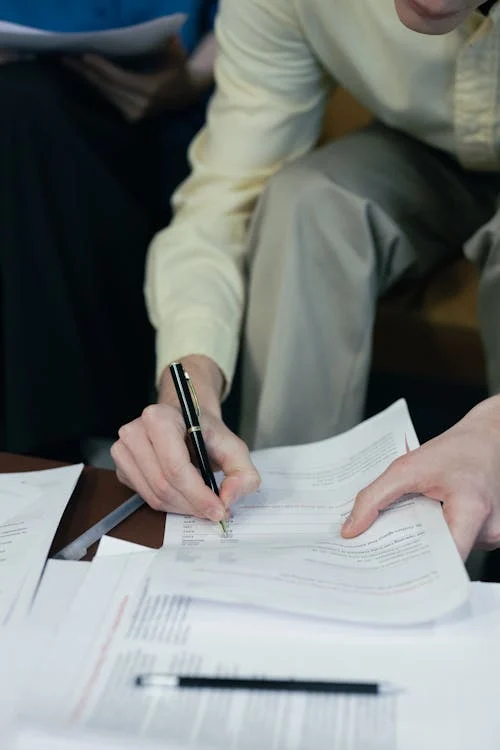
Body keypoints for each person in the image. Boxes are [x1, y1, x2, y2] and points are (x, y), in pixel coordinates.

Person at [112, 0, 500, 560]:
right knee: (307, 203)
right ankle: (283, 534)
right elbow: (227, 197)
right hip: (420, 150)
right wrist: (187, 386)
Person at [0, 0, 217, 460]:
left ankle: (43, 452)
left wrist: (194, 77)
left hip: (161, 118)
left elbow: (268, 20)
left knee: (21, 108)